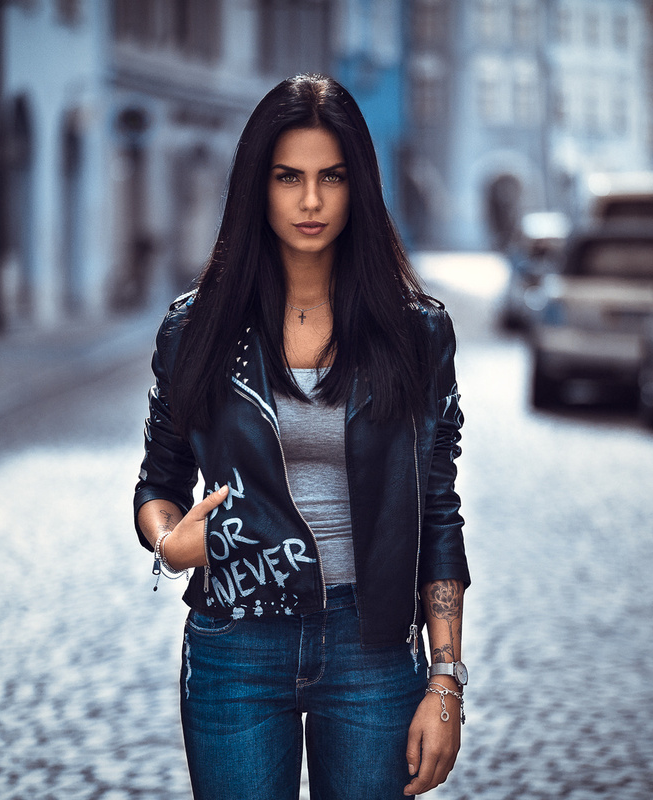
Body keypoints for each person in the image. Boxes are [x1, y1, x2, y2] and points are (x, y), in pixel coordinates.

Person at [133, 74, 470, 799]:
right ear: (259, 186)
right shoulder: (193, 331)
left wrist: (446, 679)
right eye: (289, 178)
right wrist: (170, 542)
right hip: (237, 640)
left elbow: (439, 510)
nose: (311, 201)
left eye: (331, 177)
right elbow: (159, 483)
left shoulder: (417, 333)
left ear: (360, 187)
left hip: (373, 647)